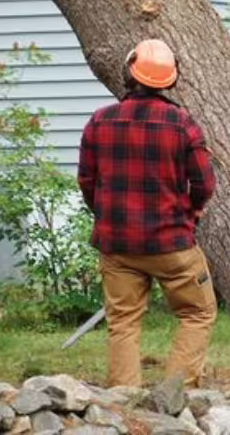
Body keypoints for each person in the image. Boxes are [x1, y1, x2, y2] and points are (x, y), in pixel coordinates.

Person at [77, 38, 217, 388]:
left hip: (117, 245)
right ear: (170, 80)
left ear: (129, 72)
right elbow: (204, 185)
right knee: (198, 312)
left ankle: (122, 403)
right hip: (172, 245)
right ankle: (175, 393)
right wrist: (190, 214)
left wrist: (108, 217)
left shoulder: (99, 121)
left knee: (122, 322)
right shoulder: (183, 125)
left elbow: (86, 181)